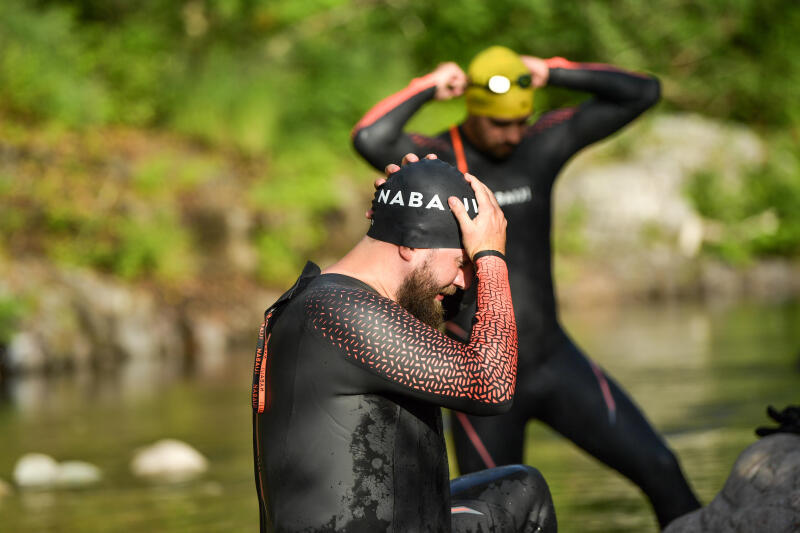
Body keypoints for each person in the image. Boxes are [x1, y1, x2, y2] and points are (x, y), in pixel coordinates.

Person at [352, 46, 701, 528]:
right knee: (496, 518)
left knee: (662, 468)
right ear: (472, 108)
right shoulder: (440, 161)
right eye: (498, 124)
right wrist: (430, 85)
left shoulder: (538, 145)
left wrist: (555, 71)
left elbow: (644, 92)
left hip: (554, 359)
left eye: (520, 121)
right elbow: (370, 136)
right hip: (483, 376)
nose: (511, 134)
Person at [251, 155, 557, 532]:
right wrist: (492, 258)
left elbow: (461, 318)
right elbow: (490, 385)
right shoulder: (337, 311)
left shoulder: (355, 303)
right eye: (464, 262)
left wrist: (423, 185)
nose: (466, 280)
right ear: (411, 244)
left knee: (524, 492)